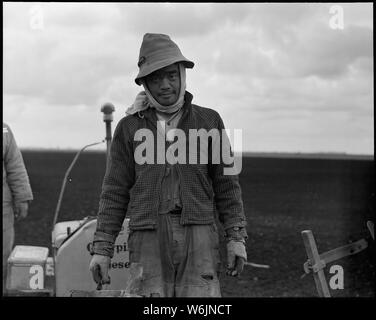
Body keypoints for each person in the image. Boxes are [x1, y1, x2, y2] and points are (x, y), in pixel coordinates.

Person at [89, 33, 248, 297]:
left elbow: (228, 184)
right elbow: (114, 191)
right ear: (145, 83)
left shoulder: (210, 121)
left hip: (199, 236)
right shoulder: (128, 128)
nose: (165, 85)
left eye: (171, 76)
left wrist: (236, 238)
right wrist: (102, 250)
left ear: (182, 75)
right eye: (156, 78)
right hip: (147, 236)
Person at [3, 123, 33, 293]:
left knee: (3, 256)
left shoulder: (4, 130)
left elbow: (15, 165)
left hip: (3, 207)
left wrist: (22, 198)